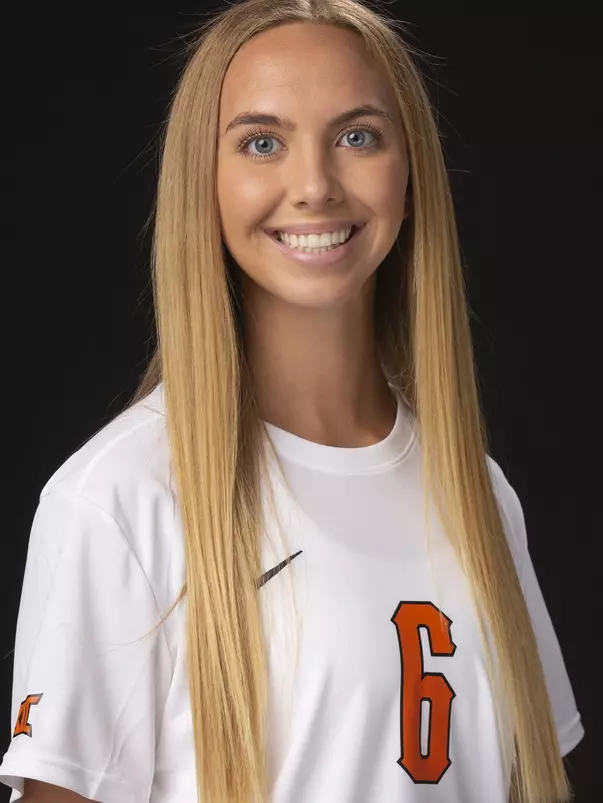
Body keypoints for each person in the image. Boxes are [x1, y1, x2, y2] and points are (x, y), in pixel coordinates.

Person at [0, 1, 585, 802]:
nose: (313, 186)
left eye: (356, 136)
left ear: (408, 177)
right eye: (262, 143)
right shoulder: (117, 500)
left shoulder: (479, 494)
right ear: (203, 185)